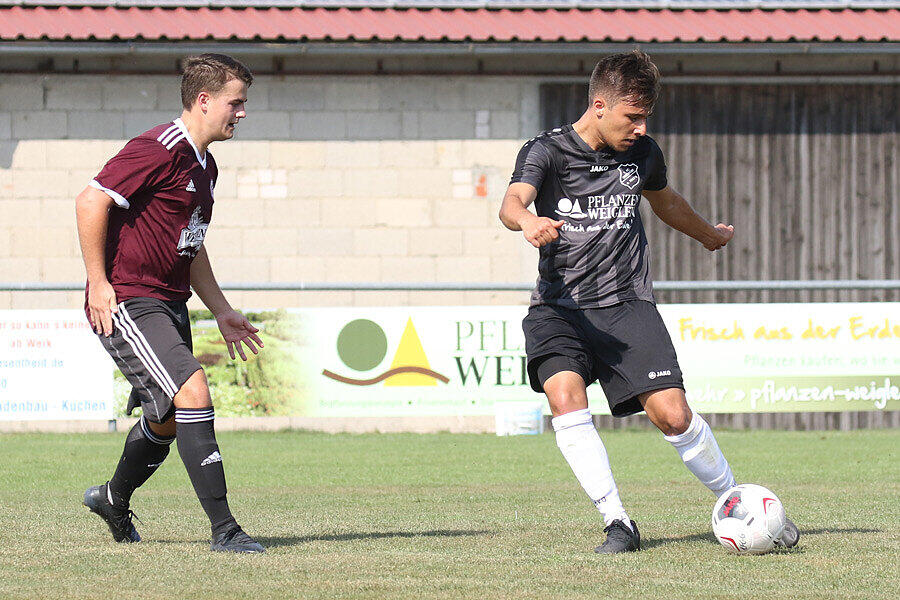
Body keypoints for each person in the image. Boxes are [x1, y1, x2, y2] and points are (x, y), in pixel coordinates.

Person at [499, 50, 798, 554]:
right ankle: (618, 523)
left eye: (646, 118)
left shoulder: (642, 153)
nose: (641, 128)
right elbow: (512, 202)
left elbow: (666, 202)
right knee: (565, 397)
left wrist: (708, 235)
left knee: (673, 416)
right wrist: (528, 221)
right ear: (599, 106)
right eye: (632, 116)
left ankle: (739, 503)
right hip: (558, 307)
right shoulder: (546, 151)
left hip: (626, 304)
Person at [75, 53, 266, 553]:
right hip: (129, 299)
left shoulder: (206, 166)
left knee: (167, 419)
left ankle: (112, 498)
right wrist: (98, 282)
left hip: (169, 302)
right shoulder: (157, 149)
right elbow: (91, 200)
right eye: (235, 102)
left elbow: (191, 243)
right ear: (204, 100)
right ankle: (226, 530)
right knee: (193, 391)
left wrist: (221, 309)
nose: (242, 112)